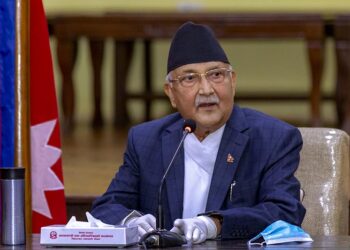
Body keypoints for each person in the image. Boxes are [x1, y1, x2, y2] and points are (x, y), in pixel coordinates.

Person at [90, 21, 305, 244]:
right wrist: (130, 221)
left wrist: (213, 224)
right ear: (171, 93)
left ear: (233, 82)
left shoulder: (273, 138)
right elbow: (107, 206)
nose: (206, 90)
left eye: (216, 75)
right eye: (190, 78)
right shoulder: (146, 140)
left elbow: (285, 211)